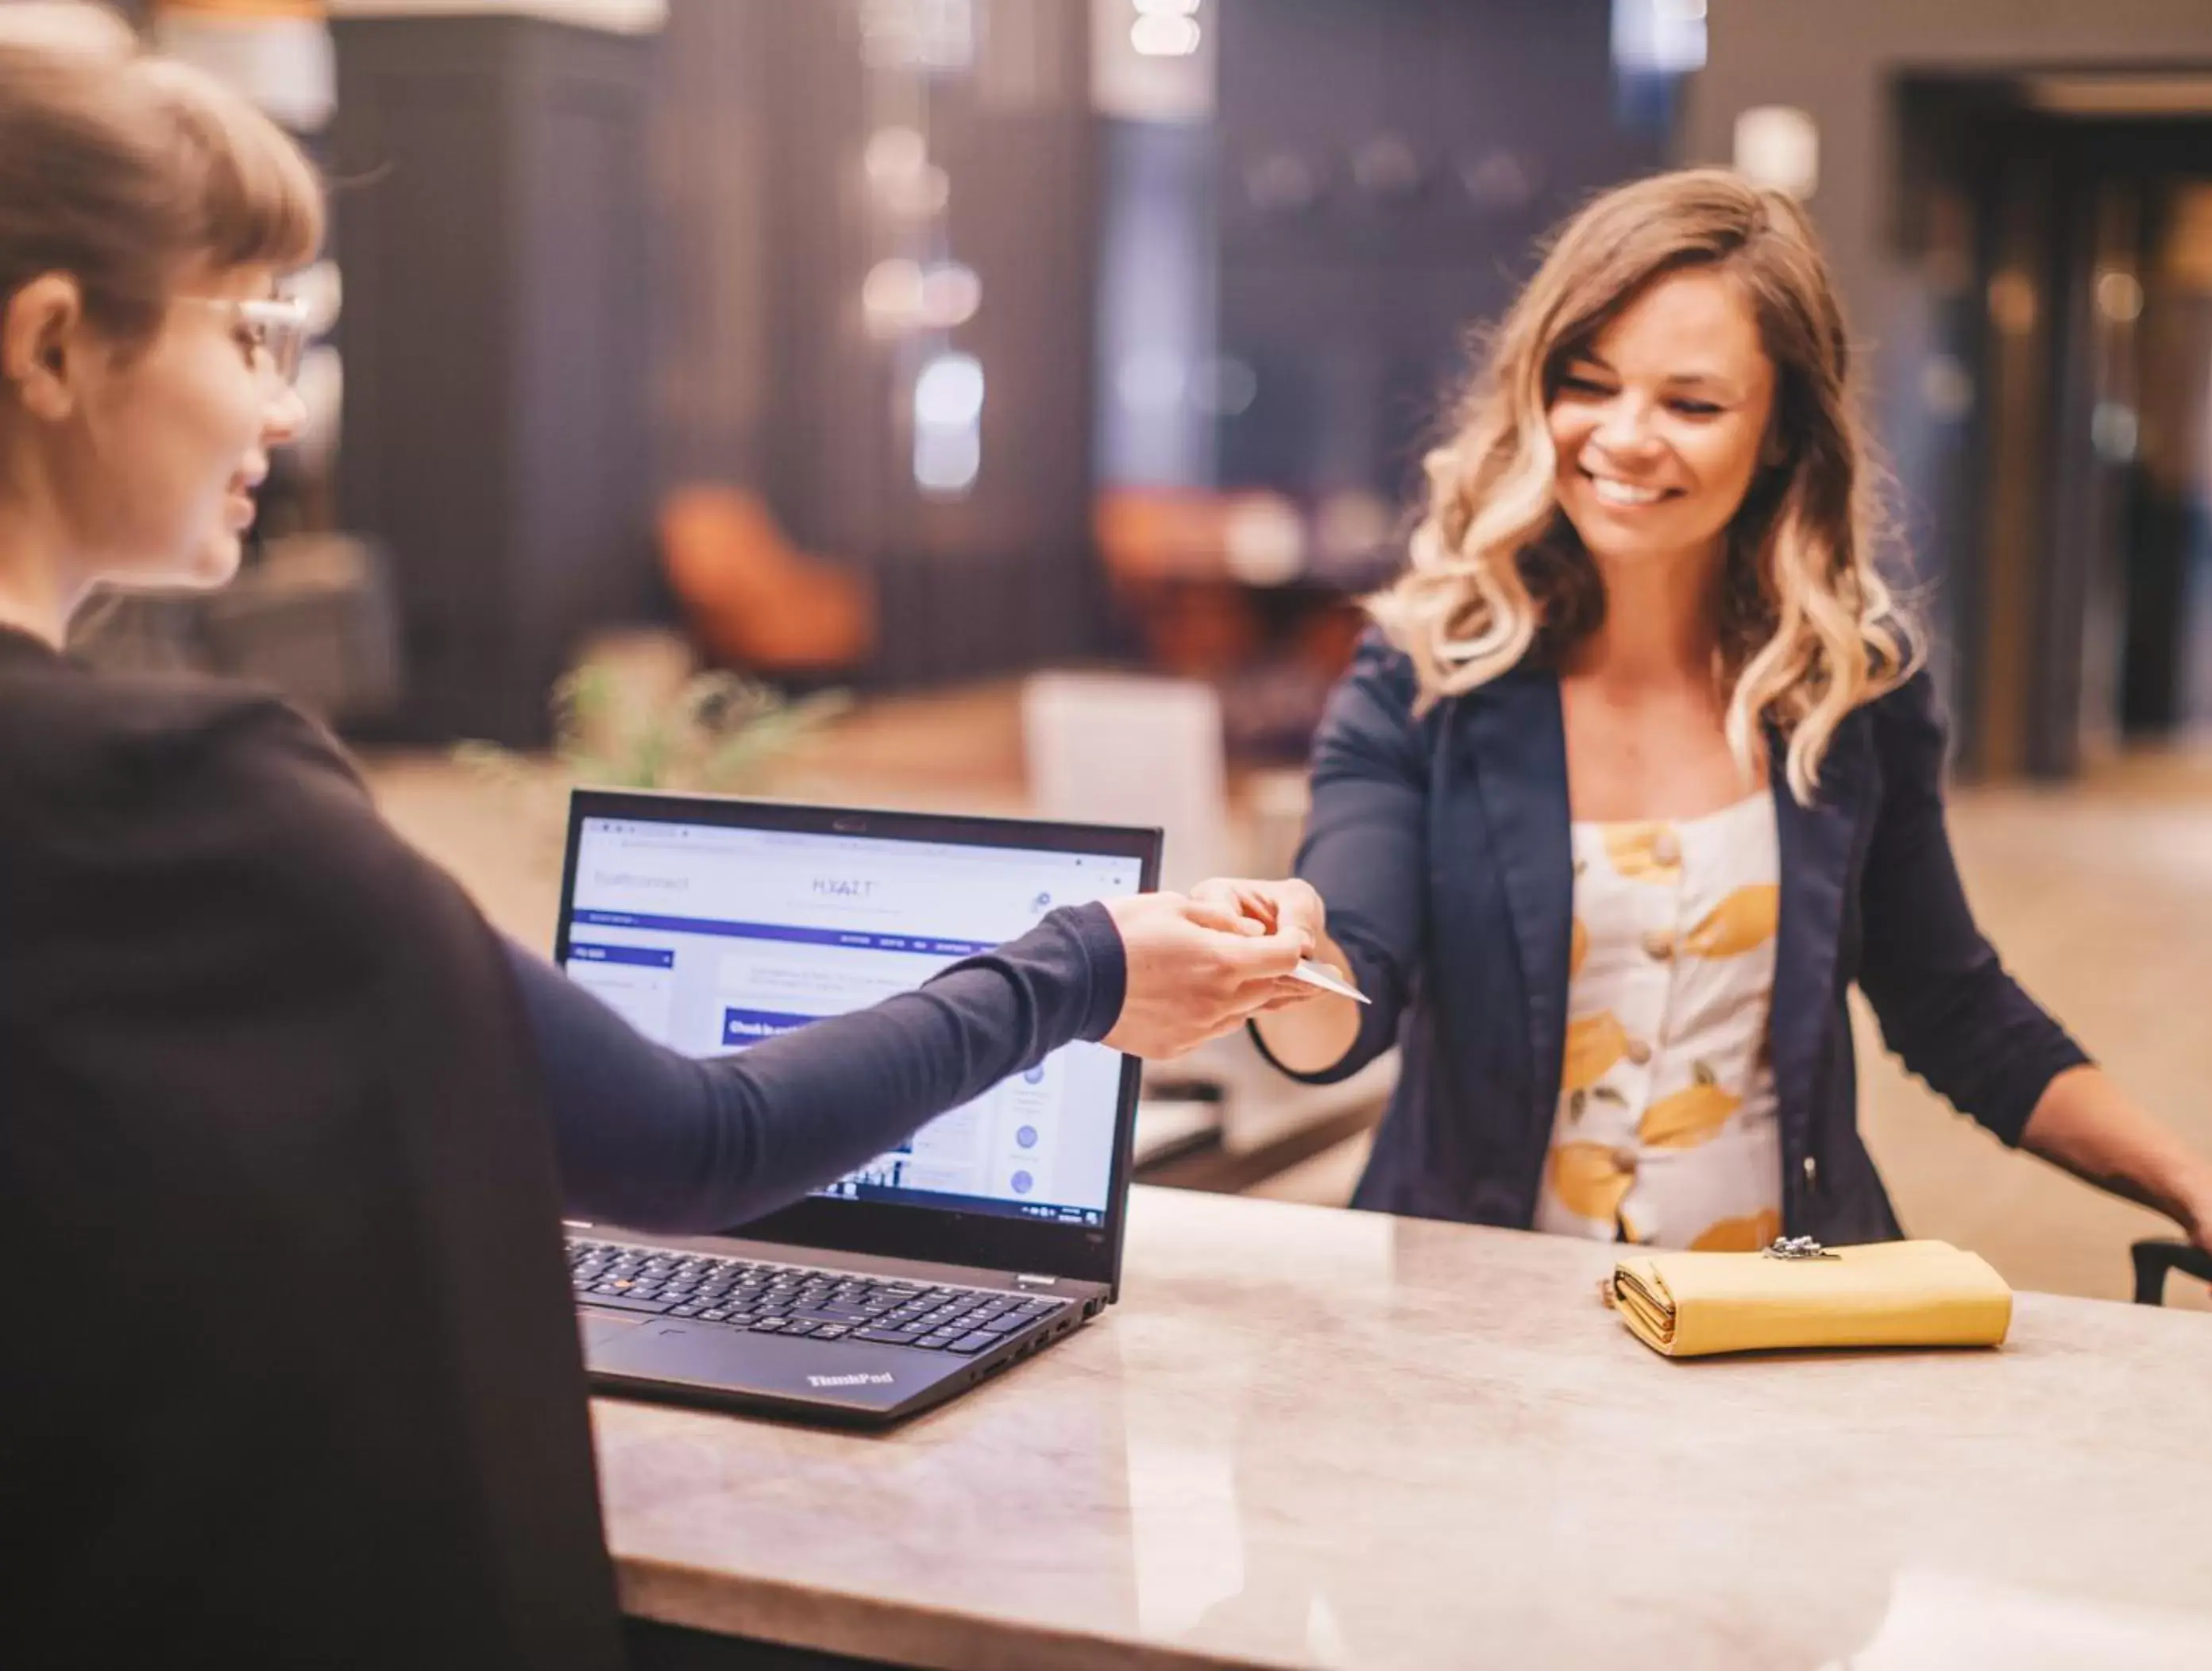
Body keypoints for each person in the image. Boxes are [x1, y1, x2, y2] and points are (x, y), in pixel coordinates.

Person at [0, 10, 1315, 1664]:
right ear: (52, 346)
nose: (277, 399)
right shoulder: (180, 797)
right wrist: (1079, 963)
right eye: (252, 329)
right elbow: (691, 1143)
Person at [1224, 168, 2212, 1322]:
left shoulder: (1849, 683)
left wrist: (2200, 1193)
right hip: (1475, 1327)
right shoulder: (1426, 673)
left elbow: (1951, 1004)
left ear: (1778, 436)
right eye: (1587, 382)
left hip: (1777, 1322)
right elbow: (1338, 1007)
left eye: (1692, 404)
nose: (1623, 436)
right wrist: (1280, 963)